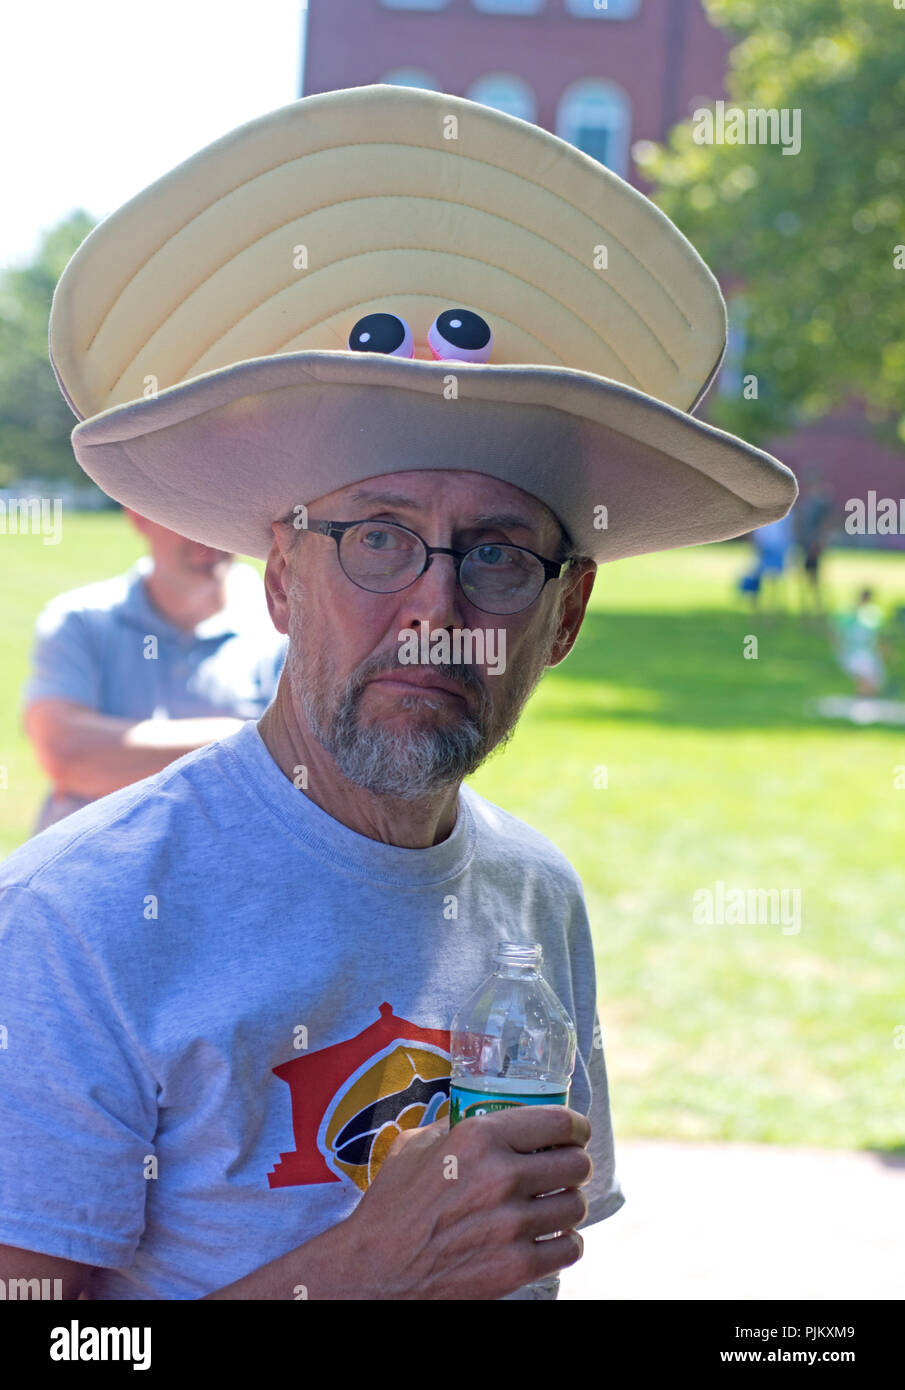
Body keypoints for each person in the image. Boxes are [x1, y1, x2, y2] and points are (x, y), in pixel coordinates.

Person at [0, 84, 797, 1301]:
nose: (434, 611)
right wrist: (360, 1270)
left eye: (493, 554)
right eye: (376, 538)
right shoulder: (75, 920)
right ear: (279, 576)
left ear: (563, 616)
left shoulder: (534, 898)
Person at [23, 509, 288, 833]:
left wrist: (116, 756)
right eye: (188, 517)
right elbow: (66, 754)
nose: (210, 538)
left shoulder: (284, 626)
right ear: (138, 516)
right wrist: (248, 741)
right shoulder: (78, 619)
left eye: (220, 515)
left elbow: (302, 771)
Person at [831, 588, 888, 697]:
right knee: (865, 673)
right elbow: (838, 634)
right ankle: (864, 696)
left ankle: (868, 696)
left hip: (868, 653)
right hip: (854, 653)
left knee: (875, 677)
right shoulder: (850, 615)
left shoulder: (874, 614)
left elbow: (880, 637)